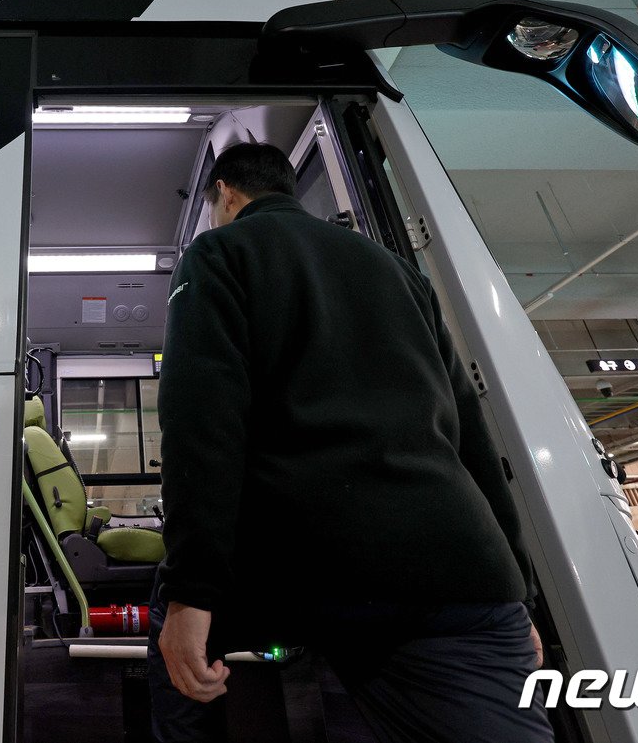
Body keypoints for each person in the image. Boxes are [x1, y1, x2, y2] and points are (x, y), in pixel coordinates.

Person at [148, 142, 551, 742]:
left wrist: (192, 595)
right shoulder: (398, 269)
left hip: (317, 569)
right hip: (462, 571)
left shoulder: (221, 252)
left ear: (226, 195)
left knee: (169, 615)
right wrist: (517, 591)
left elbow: (202, 429)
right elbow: (468, 437)